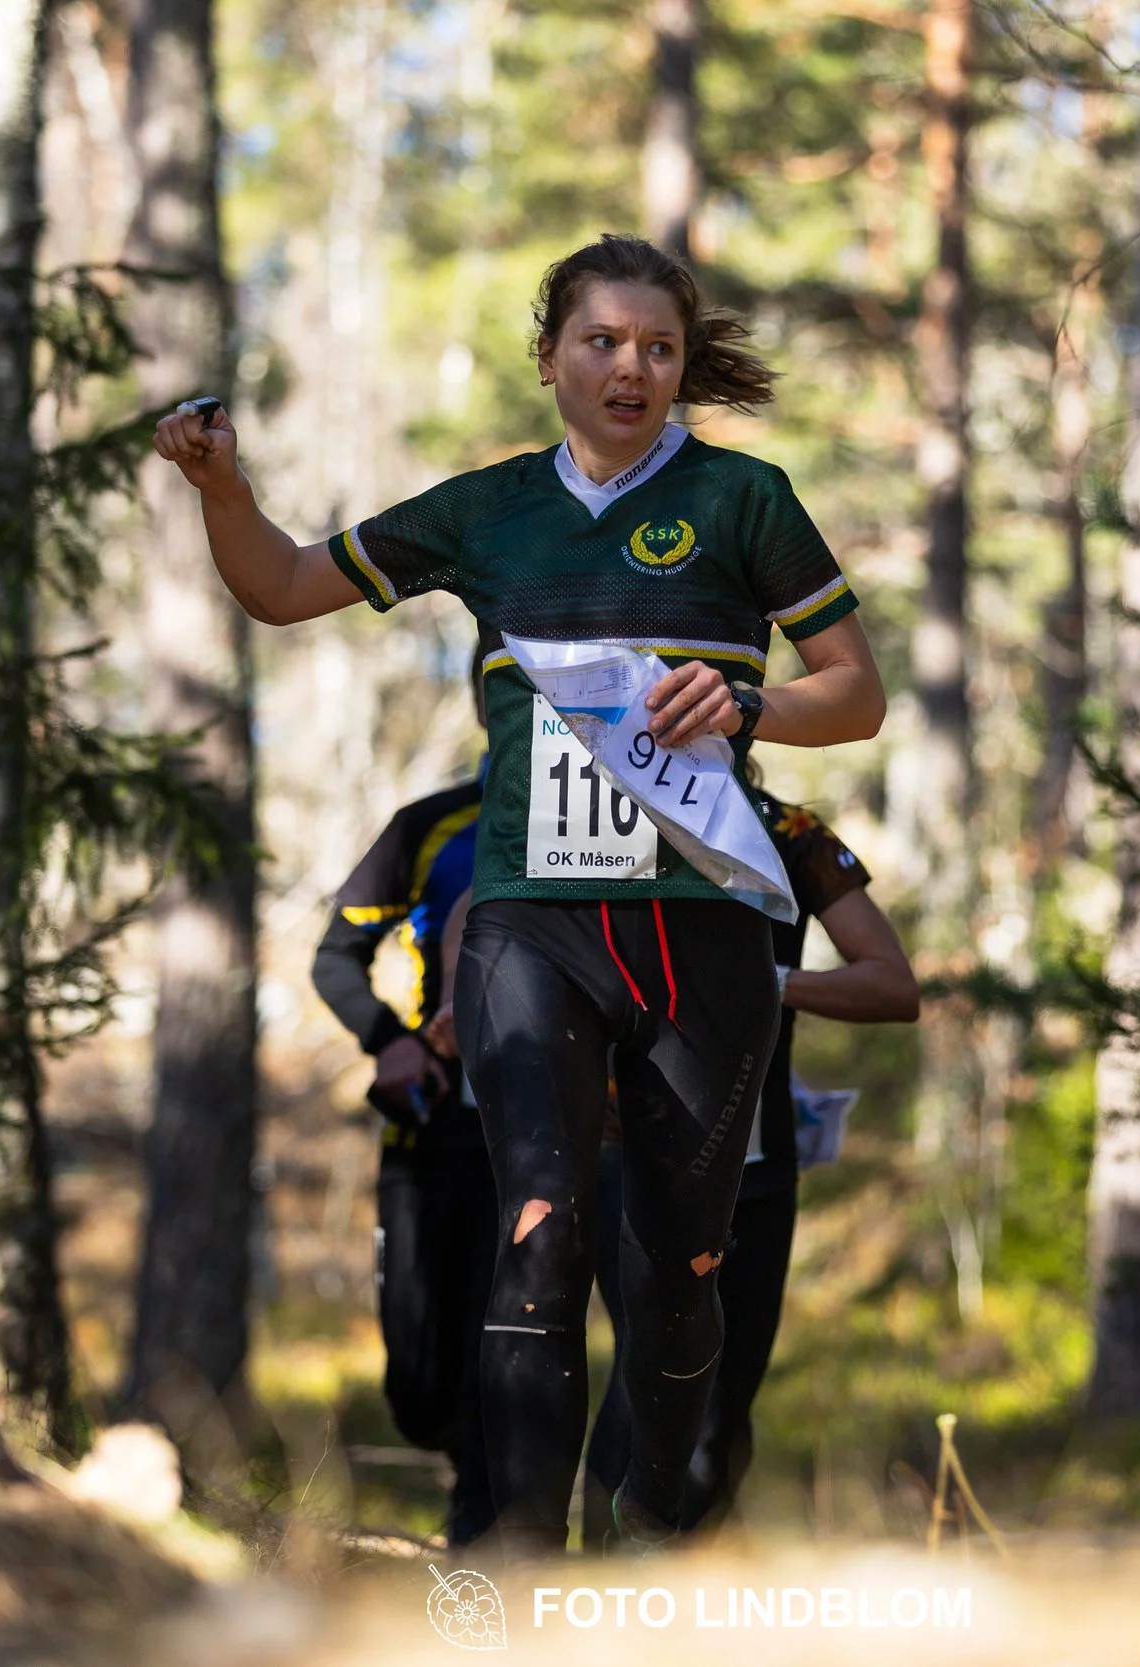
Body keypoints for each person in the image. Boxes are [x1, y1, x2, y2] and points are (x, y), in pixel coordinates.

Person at [153, 234, 885, 1559]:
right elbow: (277, 585)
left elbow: (860, 690)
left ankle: (657, 1514)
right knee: (538, 1224)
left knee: (678, 1269)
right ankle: (515, 1566)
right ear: (550, 355)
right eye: (602, 342)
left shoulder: (746, 500)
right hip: (531, 921)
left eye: (658, 348)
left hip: (704, 924)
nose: (631, 368)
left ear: (682, 366)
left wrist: (754, 696)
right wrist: (222, 485)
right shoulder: (486, 512)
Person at [582, 785, 916, 1540]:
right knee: (650, 1368)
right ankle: (600, 1584)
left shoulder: (787, 830)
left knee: (725, 1402)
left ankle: (680, 1594)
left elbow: (895, 984)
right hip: (629, 1151)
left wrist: (766, 985)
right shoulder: (598, 810)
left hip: (756, 1165)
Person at [312, 767, 492, 1547]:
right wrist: (391, 1044)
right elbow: (334, 957)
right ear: (487, 697)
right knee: (418, 1383)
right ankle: (464, 1481)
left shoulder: (608, 810)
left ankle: (488, 1538)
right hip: (433, 1122)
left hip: (542, 1126)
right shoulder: (431, 823)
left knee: (513, 1342)